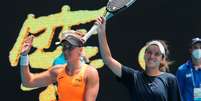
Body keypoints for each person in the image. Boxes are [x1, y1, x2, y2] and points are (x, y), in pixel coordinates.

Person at [96, 17, 181, 101]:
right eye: (149, 52)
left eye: (157, 54)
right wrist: (101, 32)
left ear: (162, 59)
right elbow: (107, 59)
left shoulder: (170, 79)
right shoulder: (134, 77)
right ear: (144, 55)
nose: (152, 56)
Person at [19, 30, 99, 101]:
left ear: (80, 49)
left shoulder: (90, 73)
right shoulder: (57, 71)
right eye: (64, 47)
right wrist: (24, 56)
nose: (66, 51)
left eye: (70, 47)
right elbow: (28, 82)